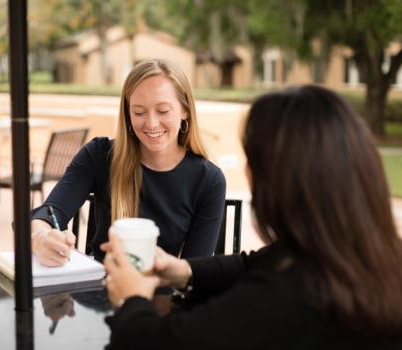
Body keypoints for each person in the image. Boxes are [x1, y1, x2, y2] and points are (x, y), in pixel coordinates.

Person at [102, 85, 402, 349]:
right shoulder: (364, 255)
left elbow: (159, 342)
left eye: (253, 160)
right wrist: (179, 269)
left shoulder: (283, 300)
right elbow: (253, 263)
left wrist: (131, 300)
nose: (247, 171)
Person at [31, 58, 226, 266]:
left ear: (185, 110)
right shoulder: (98, 155)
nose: (151, 123)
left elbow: (193, 273)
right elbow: (50, 212)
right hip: (99, 289)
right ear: (127, 114)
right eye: (139, 112)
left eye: (163, 111)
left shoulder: (208, 180)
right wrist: (40, 238)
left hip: (163, 293)